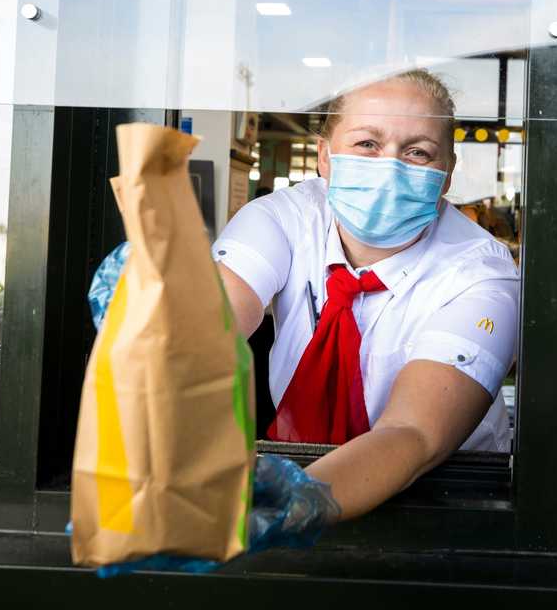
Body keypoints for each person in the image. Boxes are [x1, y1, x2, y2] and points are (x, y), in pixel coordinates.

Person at [88, 68, 519, 563]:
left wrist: (285, 502)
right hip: (294, 475)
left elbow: (414, 433)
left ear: (447, 171)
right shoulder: (284, 217)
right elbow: (220, 316)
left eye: (417, 152)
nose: (391, 168)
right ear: (324, 157)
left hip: (444, 501)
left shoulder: (482, 273)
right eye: (367, 144)